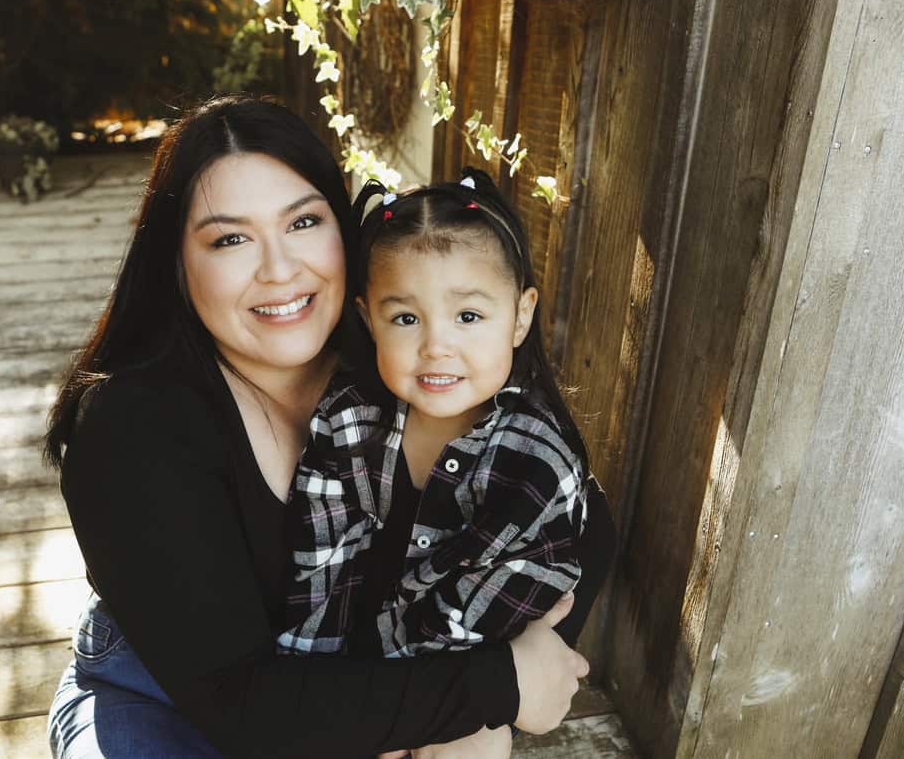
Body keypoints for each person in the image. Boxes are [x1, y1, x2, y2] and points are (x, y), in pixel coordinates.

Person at [44, 95, 597, 759]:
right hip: (174, 696)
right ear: (177, 265)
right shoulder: (133, 426)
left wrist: (524, 654)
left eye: (303, 221)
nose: (280, 270)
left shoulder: (403, 358)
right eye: (230, 239)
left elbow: (581, 518)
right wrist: (494, 683)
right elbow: (237, 702)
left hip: (368, 687)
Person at [277, 170, 615, 757]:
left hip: (469, 668)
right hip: (368, 671)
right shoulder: (348, 419)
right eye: (406, 319)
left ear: (520, 316)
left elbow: (482, 609)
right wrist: (328, 699)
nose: (436, 345)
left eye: (468, 317)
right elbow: (322, 564)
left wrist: (395, 706)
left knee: (466, 749)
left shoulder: (534, 456)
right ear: (368, 319)